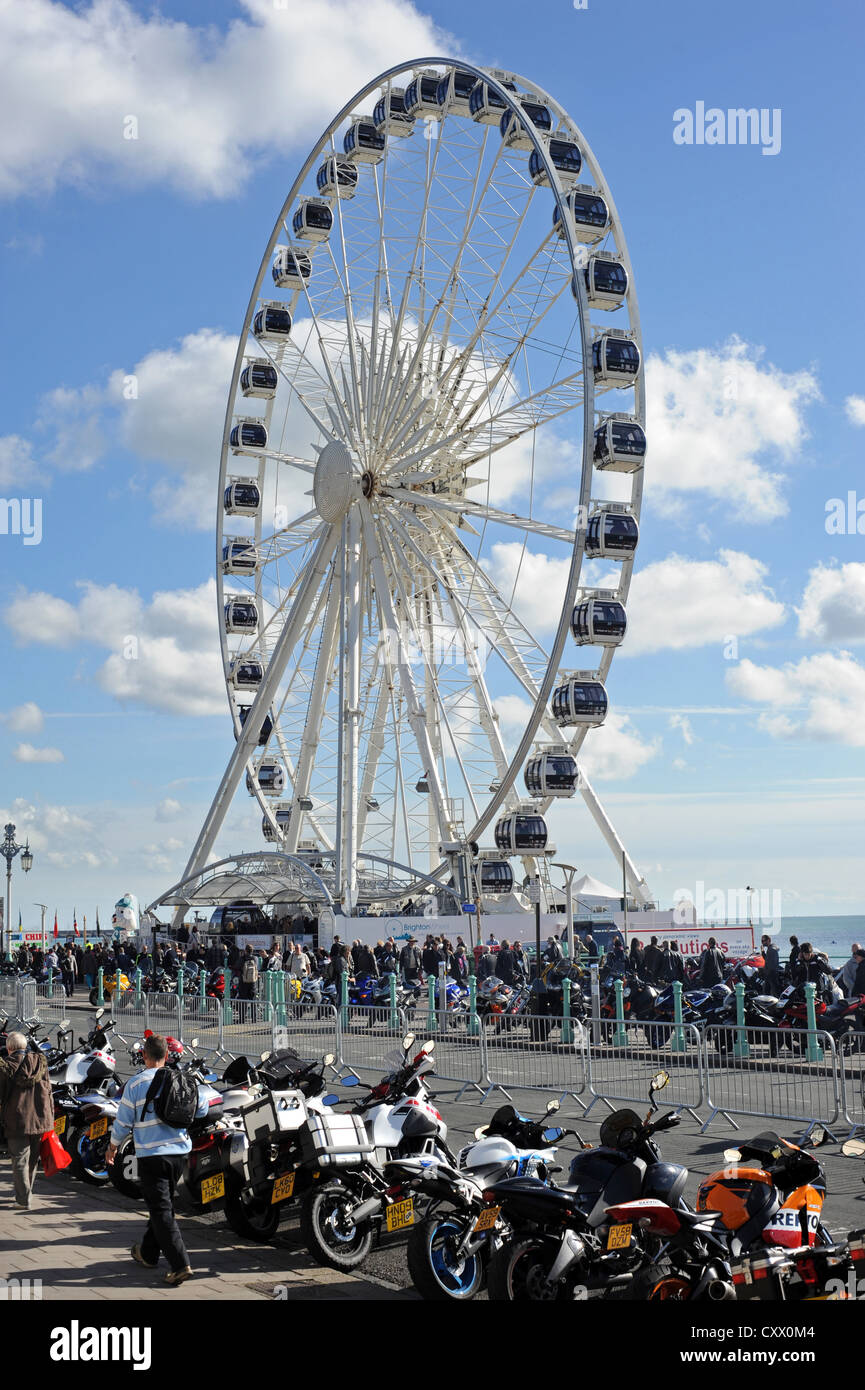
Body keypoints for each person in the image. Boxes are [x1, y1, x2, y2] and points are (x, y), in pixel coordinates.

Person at [107, 1033, 208, 1285]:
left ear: (144, 1056)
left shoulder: (136, 1084)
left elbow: (123, 1122)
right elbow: (203, 1107)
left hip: (152, 1154)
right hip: (179, 1153)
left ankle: (180, 1264)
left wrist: (113, 1147)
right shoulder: (182, 1079)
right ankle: (148, 1254)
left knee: (161, 1209)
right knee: (162, 1206)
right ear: (166, 1055)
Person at [0, 1031, 55, 1209]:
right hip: (40, 1119)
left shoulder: (5, 1066)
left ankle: (23, 1200)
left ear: (9, 1048)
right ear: (24, 1047)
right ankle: (26, 1194)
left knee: (20, 1160)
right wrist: (51, 1117)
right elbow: (49, 1092)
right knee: (32, 1160)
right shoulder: (41, 1063)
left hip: (17, 1120)